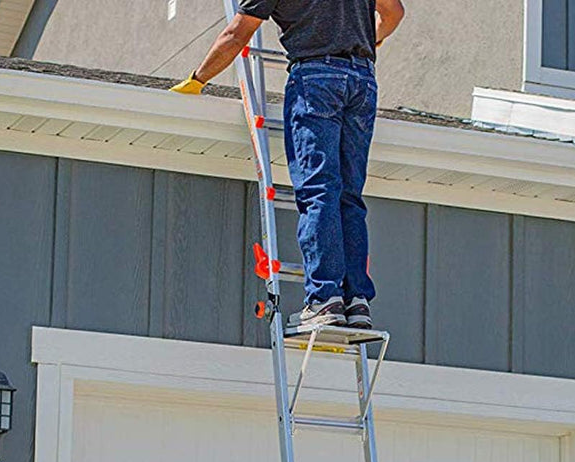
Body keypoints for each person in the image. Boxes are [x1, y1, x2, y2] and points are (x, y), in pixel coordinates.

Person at [171, 1, 407, 333]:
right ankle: (356, 300)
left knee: (320, 192)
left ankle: (325, 299)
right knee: (349, 197)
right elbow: (394, 13)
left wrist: (197, 79)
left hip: (316, 78)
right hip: (363, 80)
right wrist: (370, 39)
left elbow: (236, 35)